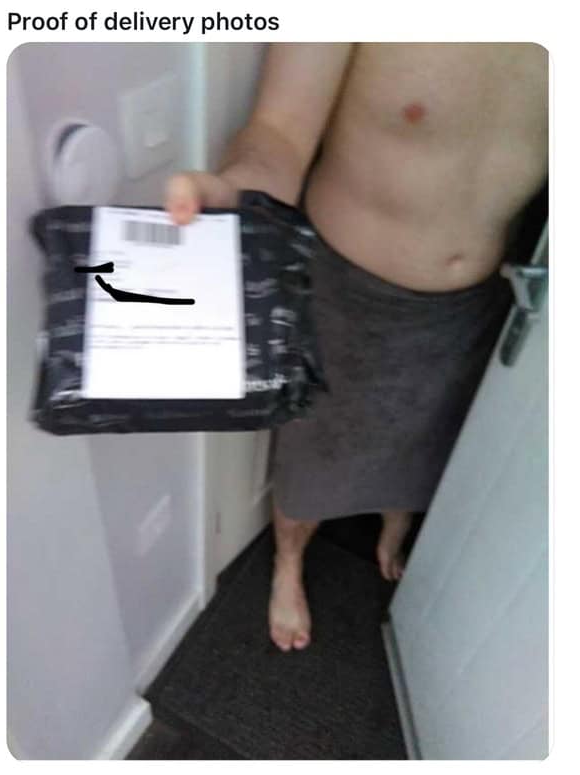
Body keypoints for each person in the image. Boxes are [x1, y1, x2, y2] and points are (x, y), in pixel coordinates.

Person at [164, 43, 548, 653]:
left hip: (485, 302)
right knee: (316, 458)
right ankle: (289, 562)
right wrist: (238, 190)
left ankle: (394, 527)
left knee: (426, 445)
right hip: (346, 295)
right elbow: (279, 134)